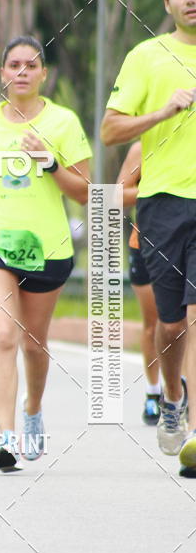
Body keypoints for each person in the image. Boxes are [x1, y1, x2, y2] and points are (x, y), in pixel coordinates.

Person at [0, 36, 92, 471]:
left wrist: (49, 163)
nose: (21, 71)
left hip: (47, 247)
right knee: (4, 334)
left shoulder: (63, 123)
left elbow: (87, 192)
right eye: (13, 65)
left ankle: (33, 409)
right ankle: (5, 438)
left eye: (30, 65)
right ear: (2, 74)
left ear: (43, 74)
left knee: (34, 344)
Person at [101, 0, 196, 473]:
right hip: (161, 204)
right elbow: (110, 131)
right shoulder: (147, 56)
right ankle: (172, 399)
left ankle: (195, 431)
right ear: (167, 3)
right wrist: (161, 113)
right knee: (171, 323)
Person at [116, 142, 162, 425]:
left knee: (184, 321)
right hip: (145, 243)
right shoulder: (141, 148)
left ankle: (180, 388)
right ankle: (153, 391)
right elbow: (118, 194)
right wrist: (160, 192)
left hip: (187, 244)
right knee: (155, 323)